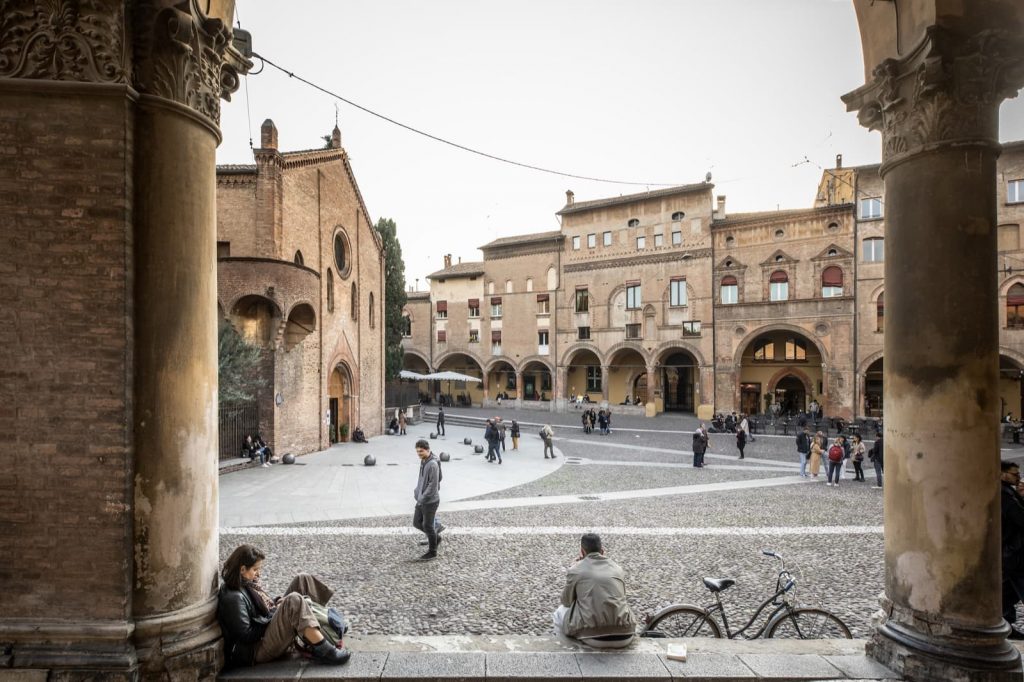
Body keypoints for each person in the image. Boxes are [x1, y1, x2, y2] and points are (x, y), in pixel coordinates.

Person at [217, 544, 350, 667]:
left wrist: (276, 605)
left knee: (302, 580)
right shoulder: (233, 597)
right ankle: (325, 651)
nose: (259, 573)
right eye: (255, 569)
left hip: (265, 628)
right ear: (242, 569)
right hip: (257, 649)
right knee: (294, 600)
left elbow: (262, 609)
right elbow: (246, 635)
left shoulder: (249, 584)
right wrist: (275, 612)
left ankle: (324, 627)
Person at [552, 534, 637, 649]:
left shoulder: (576, 570)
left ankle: (566, 648)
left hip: (593, 637)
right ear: (602, 551)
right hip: (625, 634)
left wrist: (574, 568)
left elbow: (566, 601)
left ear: (582, 551)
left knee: (559, 613)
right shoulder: (618, 569)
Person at [1001, 461, 1024, 639]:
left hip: (1011, 551)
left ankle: (1006, 624)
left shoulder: (1009, 492)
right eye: (1014, 474)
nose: (1018, 477)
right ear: (1002, 474)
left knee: (1008, 591)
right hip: (1013, 552)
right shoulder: (1005, 494)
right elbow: (1020, 519)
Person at [412, 439, 441, 560]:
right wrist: (417, 491)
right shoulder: (424, 461)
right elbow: (422, 479)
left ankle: (432, 552)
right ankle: (435, 537)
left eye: (421, 451)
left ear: (427, 450)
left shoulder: (433, 464)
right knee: (416, 523)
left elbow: (433, 485)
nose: (419, 454)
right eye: (417, 451)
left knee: (428, 526)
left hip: (430, 501)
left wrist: (423, 497)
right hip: (421, 499)